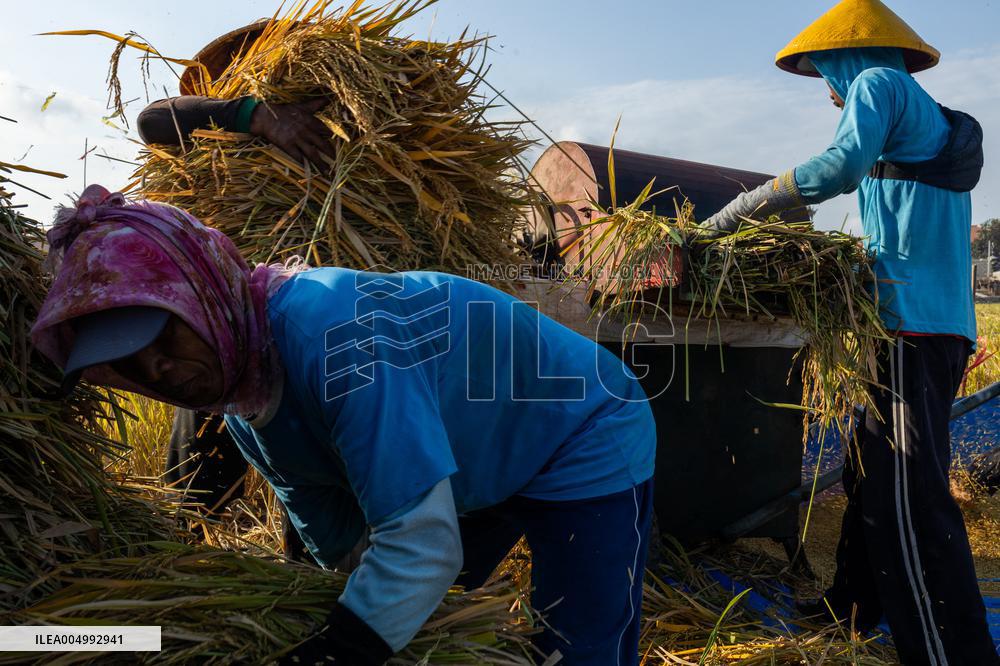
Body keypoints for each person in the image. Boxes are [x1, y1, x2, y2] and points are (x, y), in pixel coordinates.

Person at [31, 185, 657, 665]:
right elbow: (336, 533)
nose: (158, 368)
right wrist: (328, 614)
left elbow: (420, 548)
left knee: (577, 641)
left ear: (202, 293)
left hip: (580, 429)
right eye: (128, 361)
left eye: (159, 332)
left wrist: (335, 651)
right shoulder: (246, 403)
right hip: (471, 454)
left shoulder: (336, 337)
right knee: (424, 621)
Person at [700, 0, 994, 663]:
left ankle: (952, 650)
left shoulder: (877, 85)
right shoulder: (923, 115)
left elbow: (838, 168)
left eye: (822, 74)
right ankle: (854, 611)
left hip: (909, 329)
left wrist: (735, 214)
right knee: (870, 475)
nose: (828, 93)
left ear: (843, 58)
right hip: (932, 327)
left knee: (908, 501)